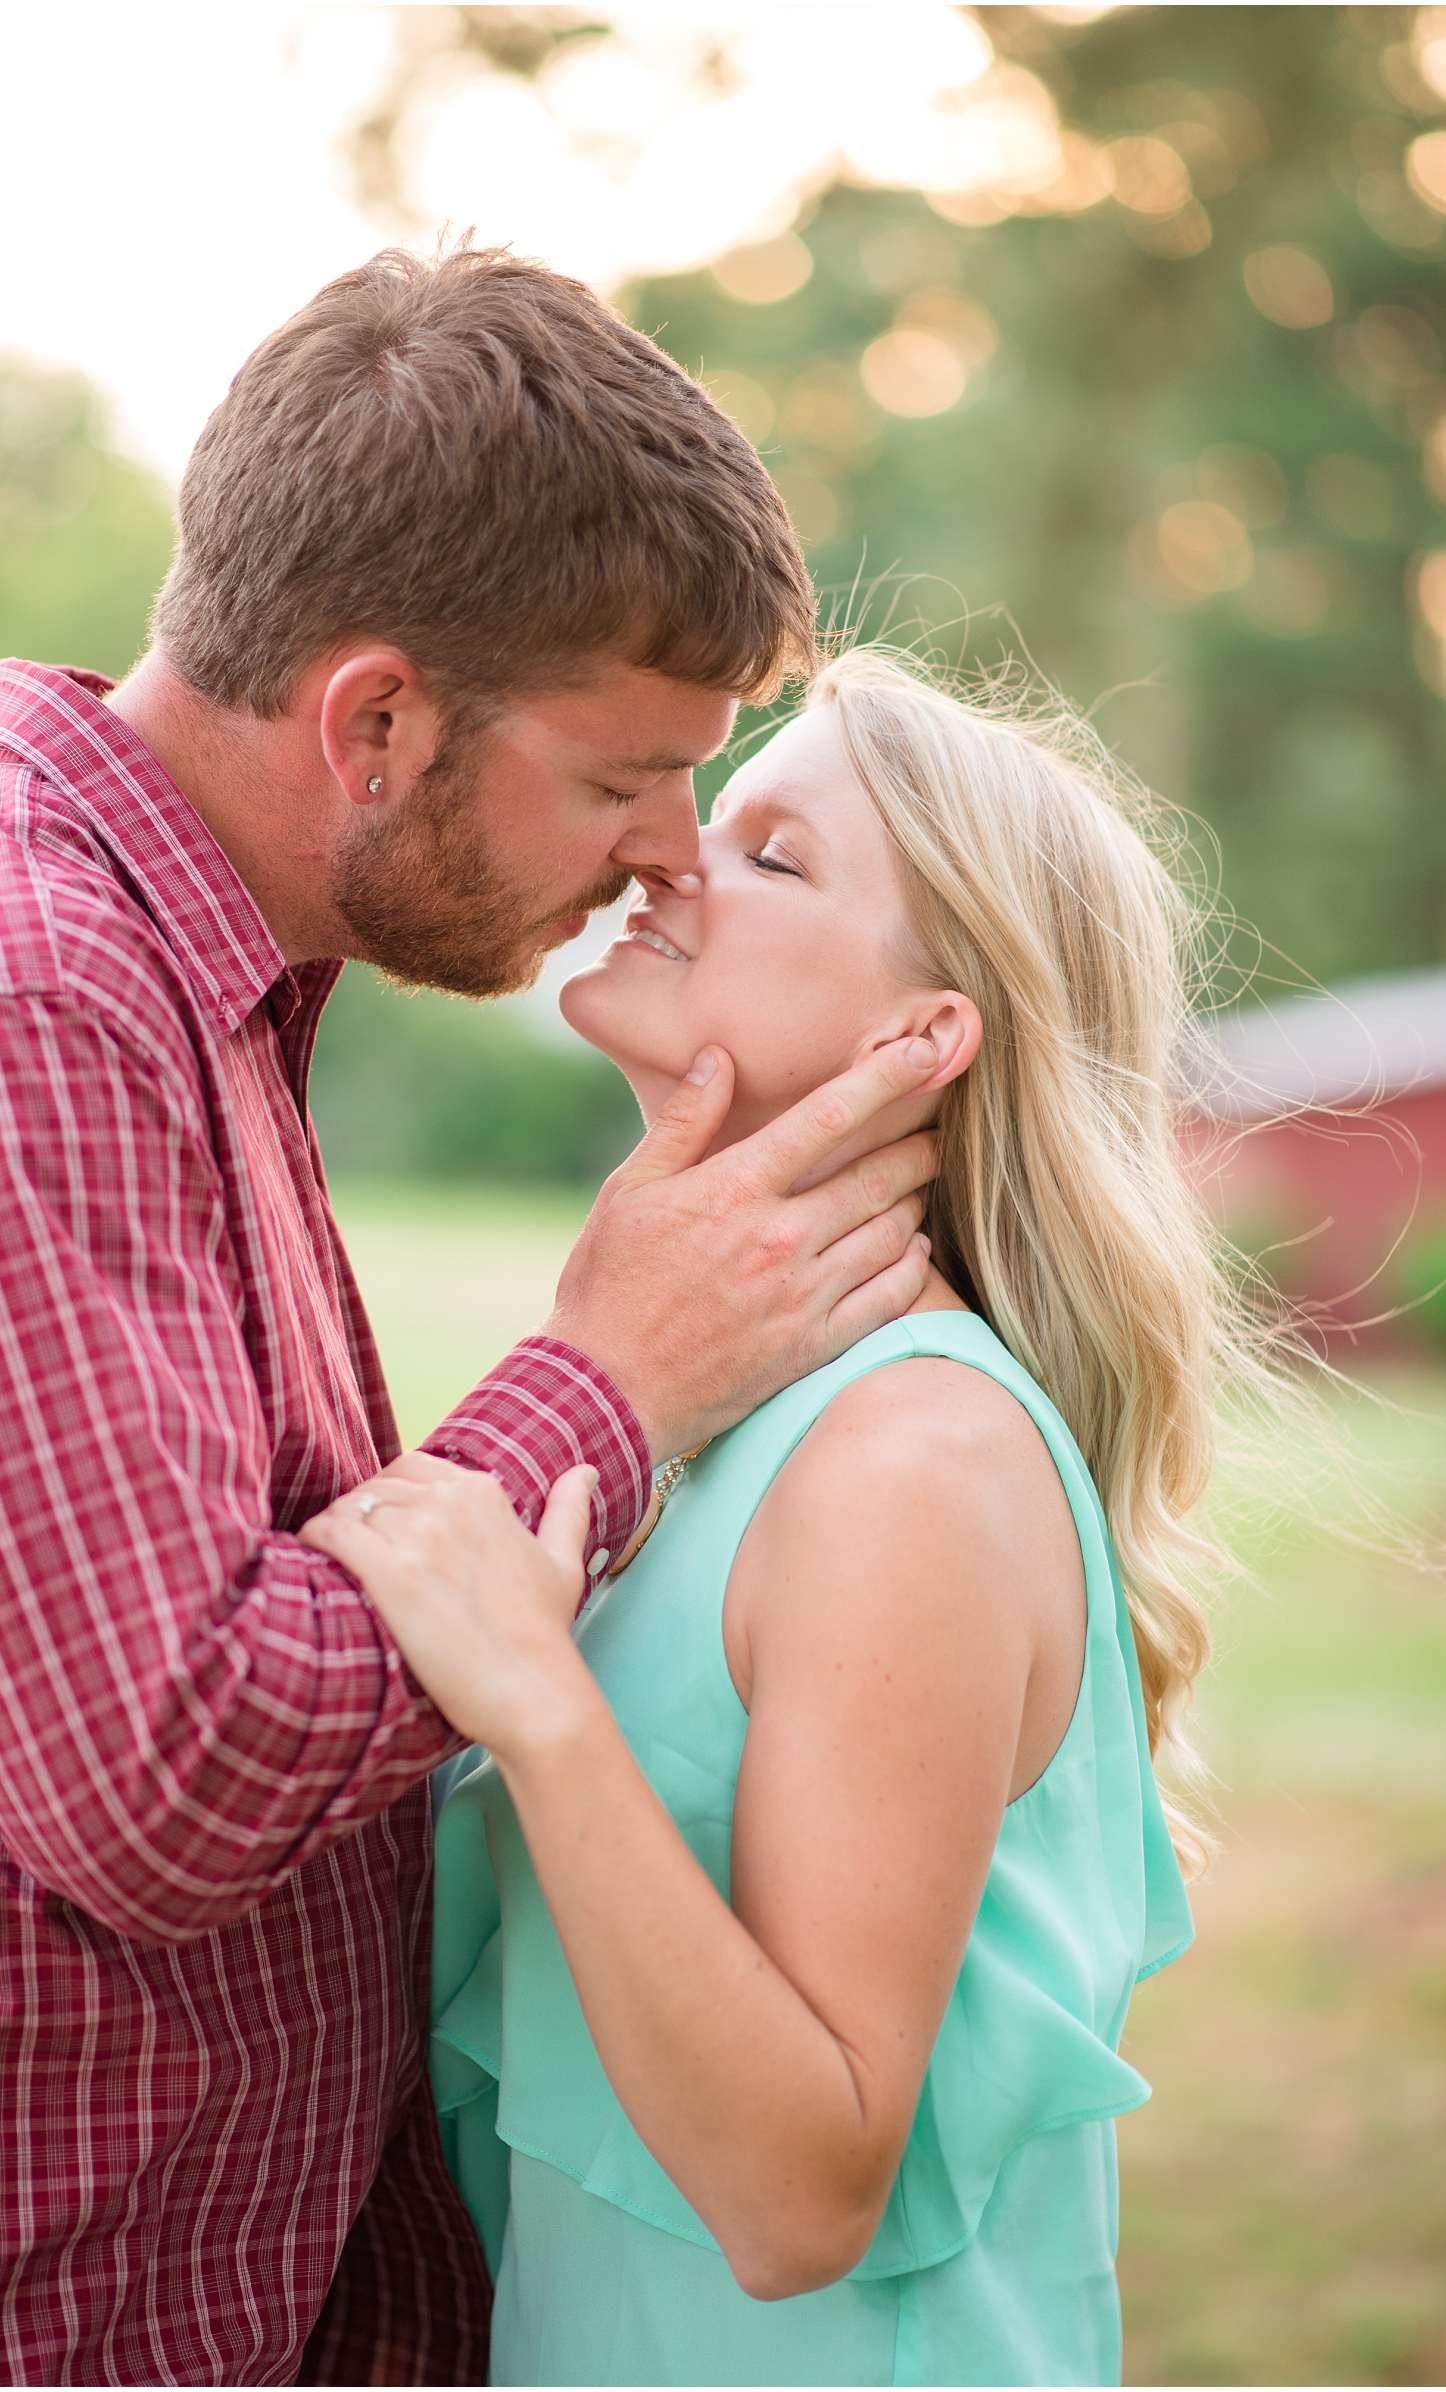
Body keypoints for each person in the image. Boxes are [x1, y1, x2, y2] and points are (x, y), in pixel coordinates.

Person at [0, 250, 945, 2390]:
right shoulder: (9, 1002)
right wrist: (611, 1377)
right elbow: (161, 1771)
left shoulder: (185, 977)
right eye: (630, 773)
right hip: (40, 2314)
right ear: (373, 720)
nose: (665, 860)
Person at [305, 646, 1242, 2388]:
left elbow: (802, 2199)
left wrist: (537, 1704)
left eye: (771, 851)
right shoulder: (741, 1409)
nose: (671, 860)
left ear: (921, 1038)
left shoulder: (912, 1461)